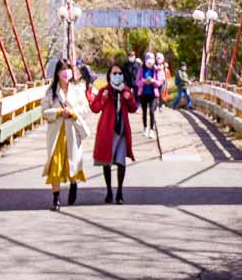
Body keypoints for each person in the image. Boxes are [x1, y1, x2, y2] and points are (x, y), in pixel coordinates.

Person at [41, 58, 92, 210]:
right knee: (55, 165)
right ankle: (56, 199)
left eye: (68, 69)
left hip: (72, 131)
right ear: (57, 73)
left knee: (72, 163)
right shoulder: (51, 92)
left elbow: (85, 109)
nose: (66, 72)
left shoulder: (78, 89)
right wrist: (58, 112)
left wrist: (73, 112)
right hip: (56, 134)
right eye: (63, 69)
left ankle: (73, 184)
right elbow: (44, 112)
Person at [88, 62, 137, 203]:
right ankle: (109, 191)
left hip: (121, 131)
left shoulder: (126, 91)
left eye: (120, 73)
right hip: (107, 131)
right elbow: (95, 108)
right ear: (109, 75)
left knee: (121, 162)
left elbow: (133, 108)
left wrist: (130, 99)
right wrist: (103, 98)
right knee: (106, 162)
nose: (117, 76)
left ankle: (120, 192)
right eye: (114, 73)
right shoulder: (105, 90)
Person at [135, 51, 158, 137]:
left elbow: (160, 82)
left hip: (153, 94)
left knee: (151, 111)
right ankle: (145, 128)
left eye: (151, 62)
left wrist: (153, 81)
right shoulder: (141, 69)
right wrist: (143, 82)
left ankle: (152, 129)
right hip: (143, 94)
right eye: (148, 62)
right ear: (145, 61)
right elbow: (137, 81)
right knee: (144, 111)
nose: (149, 63)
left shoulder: (156, 69)